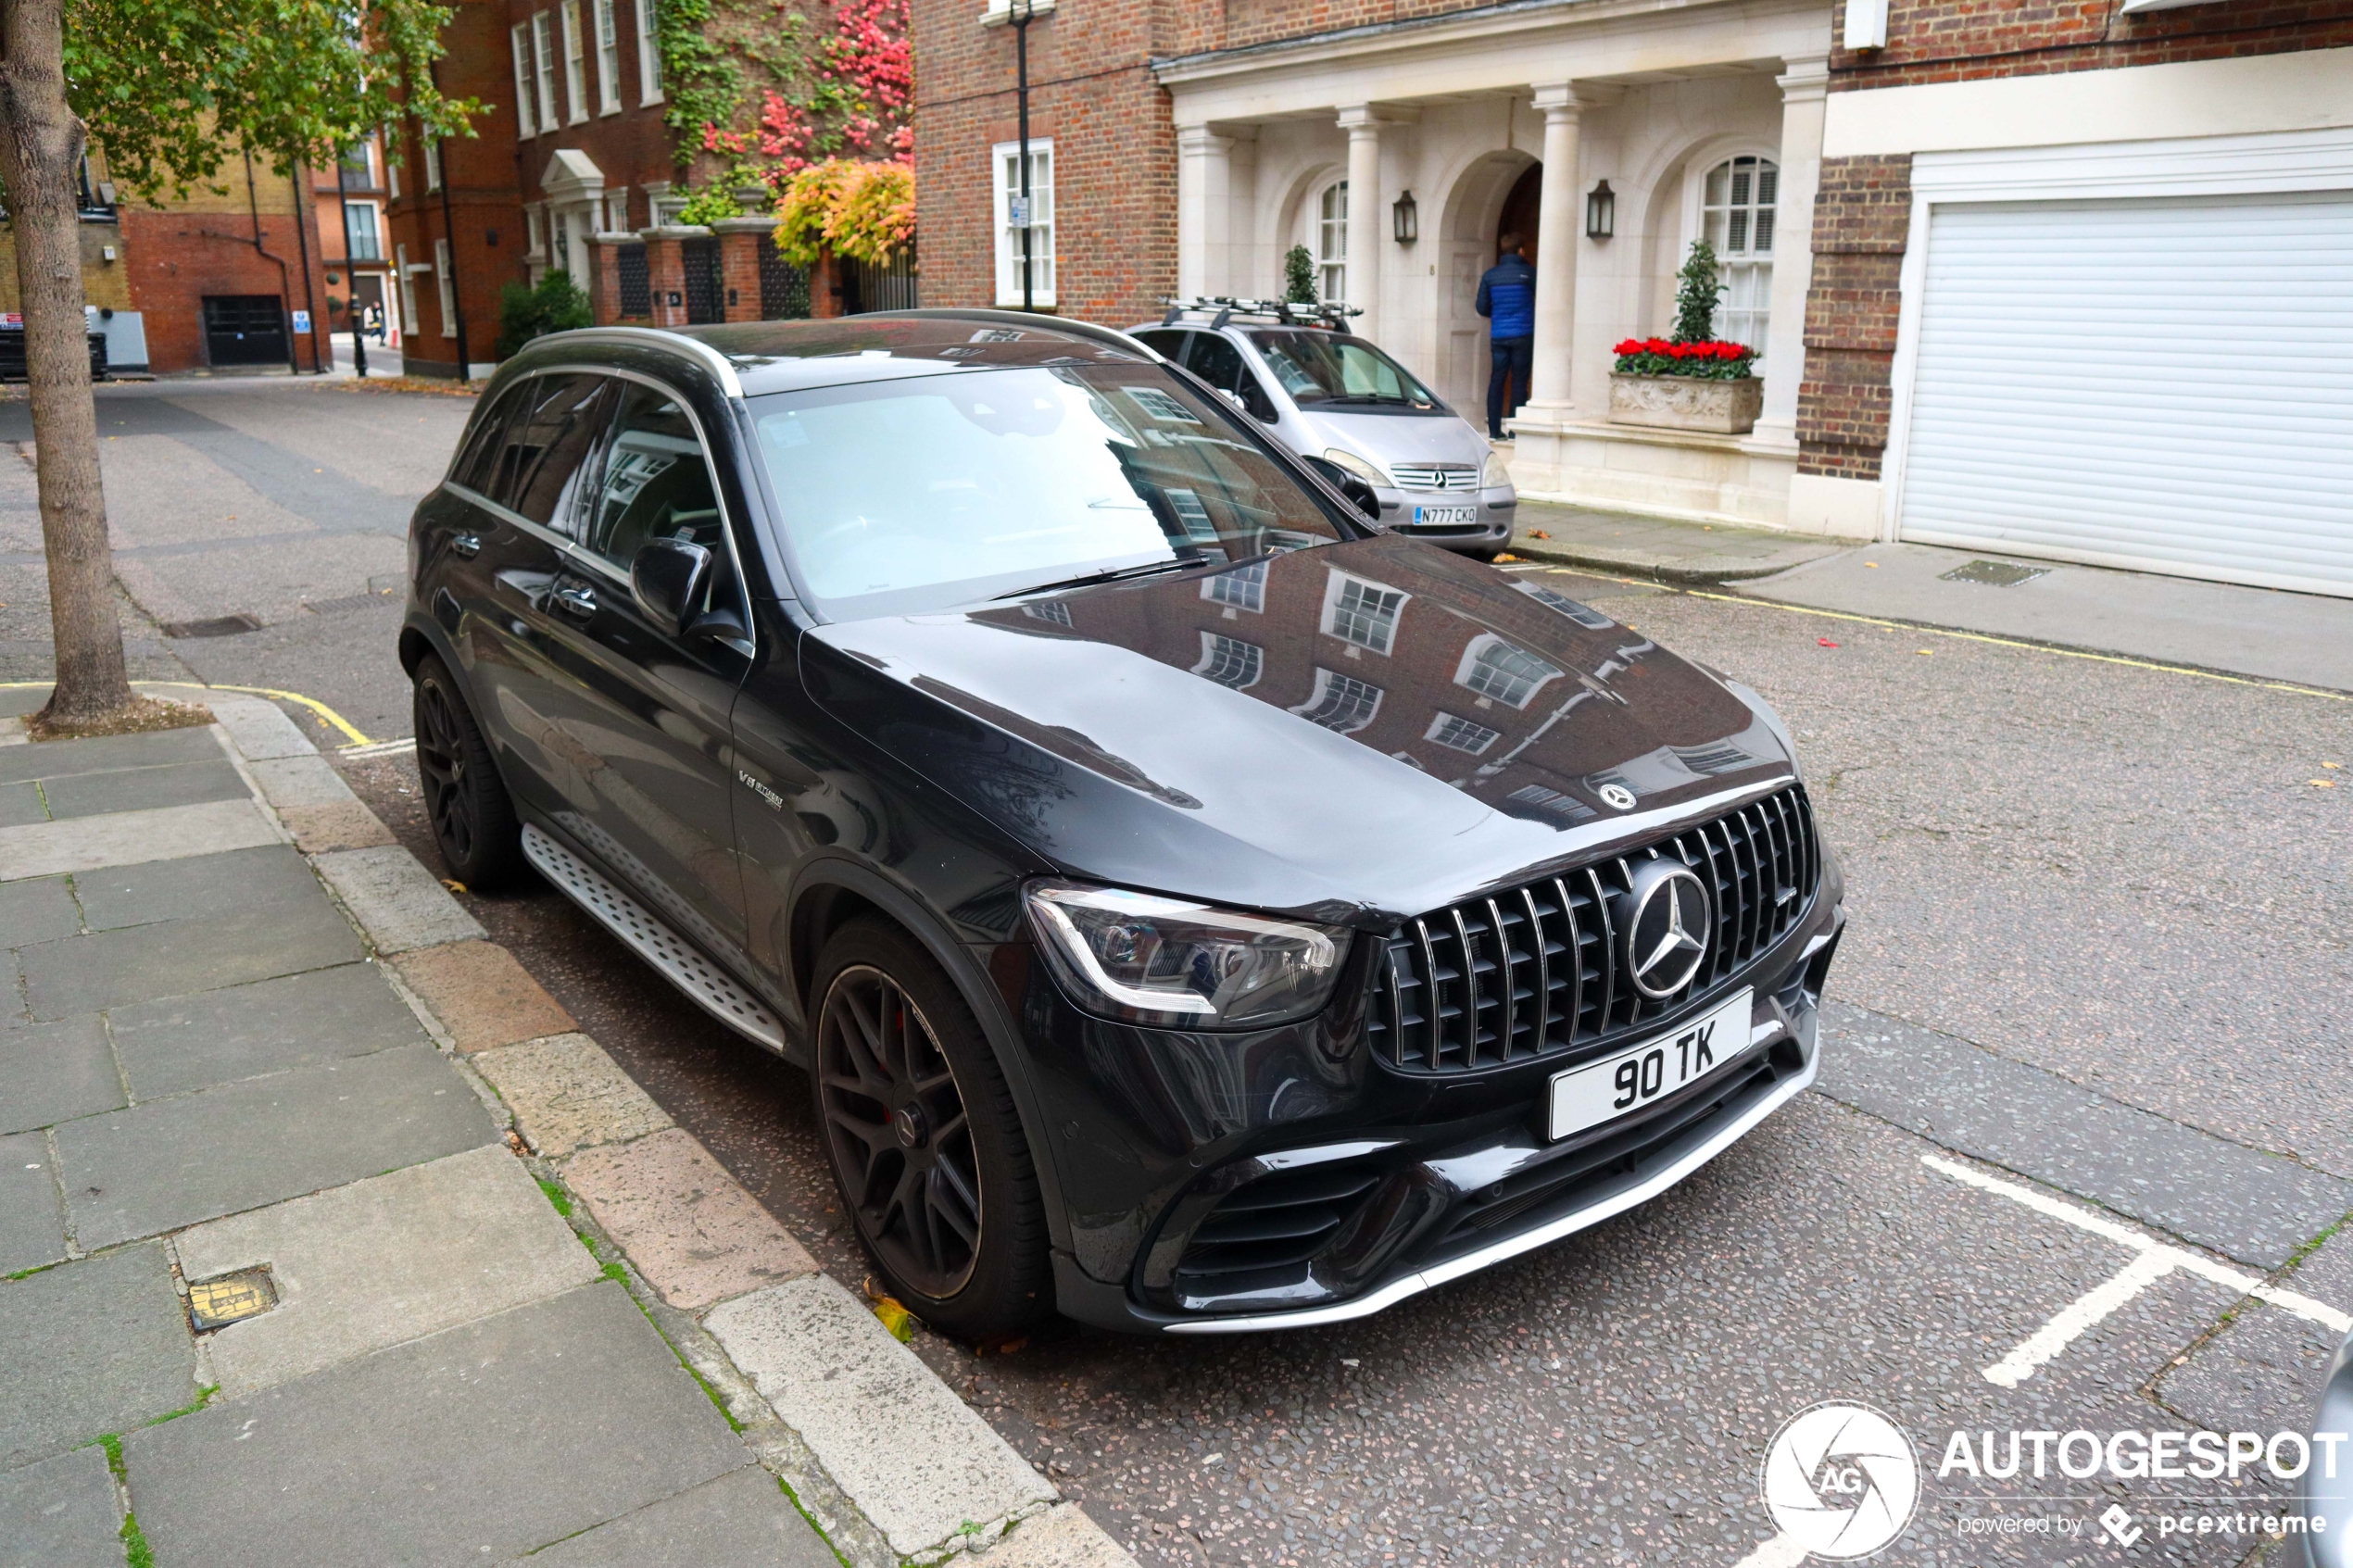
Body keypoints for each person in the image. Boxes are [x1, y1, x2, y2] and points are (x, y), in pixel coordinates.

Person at [1476, 234, 1536, 441]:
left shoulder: (1490, 276)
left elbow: (1481, 307)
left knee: (1497, 381)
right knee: (1519, 382)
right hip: (1523, 334)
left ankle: (1493, 431)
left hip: (1499, 336)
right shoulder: (1529, 273)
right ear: (1521, 250)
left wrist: (1500, 314)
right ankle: (1514, 431)